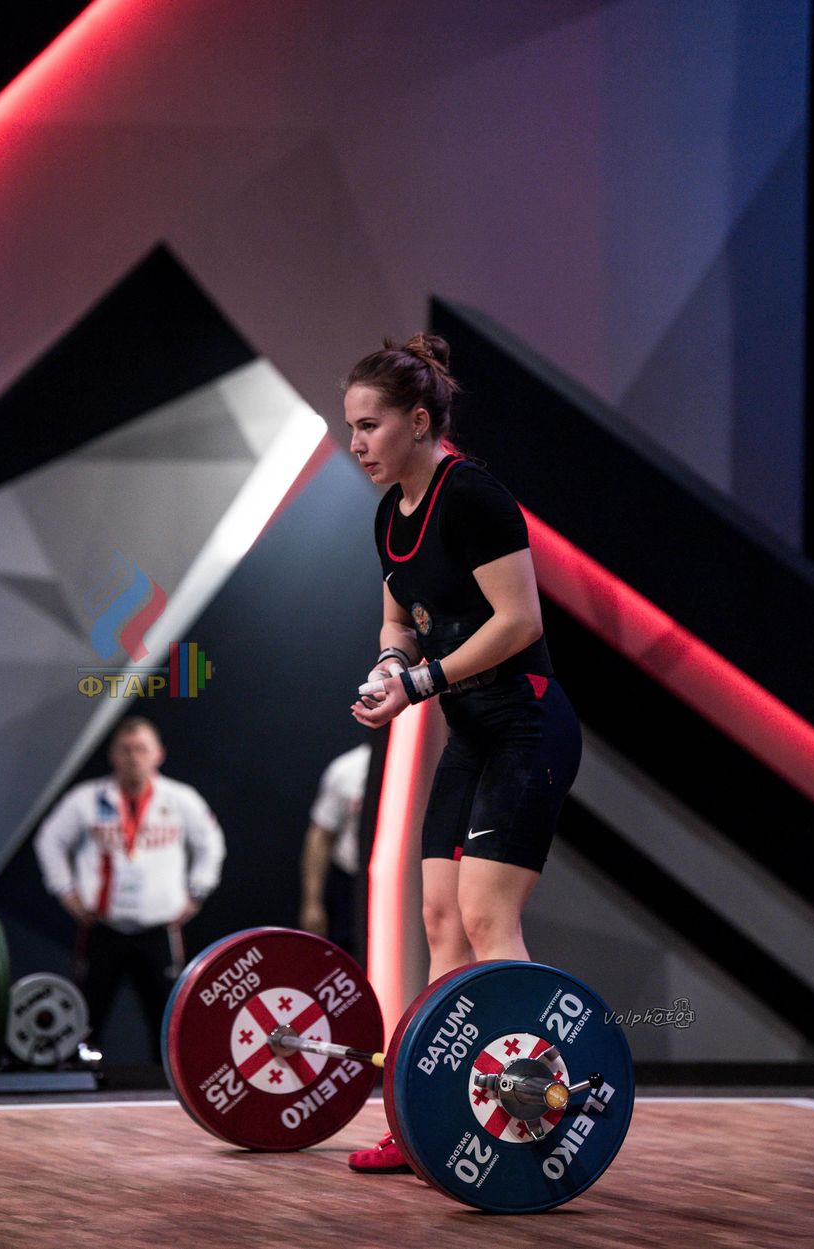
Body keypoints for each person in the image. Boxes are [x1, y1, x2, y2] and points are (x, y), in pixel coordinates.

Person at [343, 333, 582, 1172]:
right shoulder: (389, 514)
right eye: (351, 427)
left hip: (526, 725)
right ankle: (432, 1125)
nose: (356, 443)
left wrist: (420, 681)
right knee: (440, 921)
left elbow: (519, 622)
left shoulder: (474, 496)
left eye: (369, 425)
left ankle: (539, 1113)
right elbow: (397, 619)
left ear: (418, 420)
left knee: (486, 917)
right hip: (472, 730)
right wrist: (390, 667)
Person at [34, 715, 226, 1061]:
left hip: (159, 930)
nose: (134, 757)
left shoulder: (180, 799)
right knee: (86, 1016)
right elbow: (50, 840)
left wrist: (198, 891)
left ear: (158, 754)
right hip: (102, 927)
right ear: (113, 755)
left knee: (169, 1017)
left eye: (141, 749)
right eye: (126, 749)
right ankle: (80, 1076)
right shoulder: (87, 799)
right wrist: (64, 889)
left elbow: (211, 844)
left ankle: (168, 1081)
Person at [298, 740, 371, 955]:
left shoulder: (421, 768)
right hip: (350, 886)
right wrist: (312, 902)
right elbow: (320, 837)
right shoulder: (347, 770)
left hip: (407, 885)